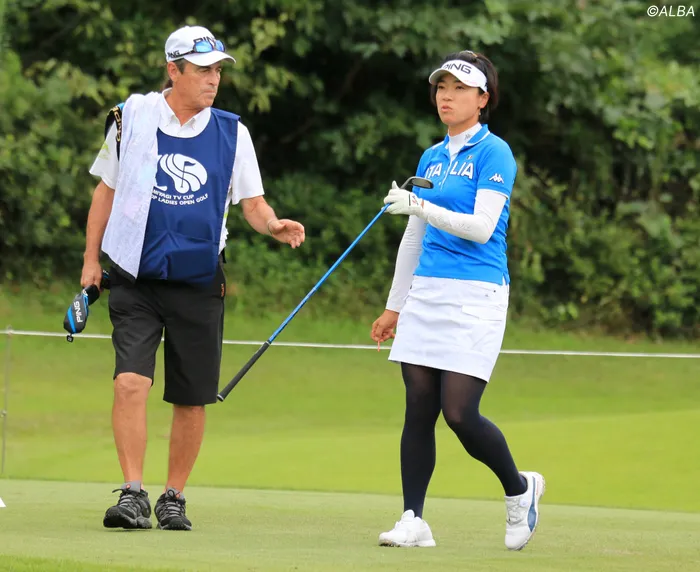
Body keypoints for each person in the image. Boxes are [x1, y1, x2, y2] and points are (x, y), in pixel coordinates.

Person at [82, 25, 305, 531]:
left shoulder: (232, 133)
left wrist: (272, 224)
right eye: (203, 70)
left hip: (200, 280)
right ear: (173, 70)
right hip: (136, 275)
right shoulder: (132, 120)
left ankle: (173, 497)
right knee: (130, 382)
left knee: (191, 396)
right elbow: (105, 191)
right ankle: (133, 494)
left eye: (218, 70)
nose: (213, 79)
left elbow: (252, 203)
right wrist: (90, 261)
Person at [371, 50, 544, 551]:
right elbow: (414, 237)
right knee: (418, 409)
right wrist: (395, 305)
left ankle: (520, 488)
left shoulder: (495, 153)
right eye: (442, 87)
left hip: (477, 293)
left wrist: (420, 205)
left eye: (460, 88)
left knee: (460, 413)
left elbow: (481, 228)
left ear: (483, 99)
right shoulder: (431, 157)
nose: (447, 96)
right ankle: (413, 519)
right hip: (427, 292)